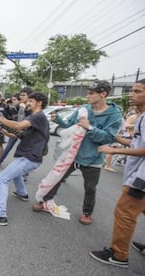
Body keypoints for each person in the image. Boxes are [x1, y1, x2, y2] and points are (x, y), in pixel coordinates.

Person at [33, 80, 123, 225]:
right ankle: (44, 201)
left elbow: (109, 137)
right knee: (58, 178)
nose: (88, 96)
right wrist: (60, 120)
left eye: (91, 93)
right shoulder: (84, 108)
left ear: (103, 94)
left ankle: (87, 213)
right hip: (73, 154)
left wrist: (90, 128)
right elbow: (71, 125)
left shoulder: (115, 115)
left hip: (93, 158)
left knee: (90, 188)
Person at [90, 79, 145, 268]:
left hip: (141, 179)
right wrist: (117, 139)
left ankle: (119, 255)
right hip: (138, 173)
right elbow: (138, 144)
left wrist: (115, 151)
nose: (131, 94)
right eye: (132, 90)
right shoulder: (141, 117)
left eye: (137, 91)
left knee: (124, 212)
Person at [0, 92, 49, 226]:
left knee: (2, 178)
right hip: (29, 156)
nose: (27, 103)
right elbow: (20, 135)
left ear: (39, 103)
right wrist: (3, 131)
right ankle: (22, 193)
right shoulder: (34, 117)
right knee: (14, 172)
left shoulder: (38, 116)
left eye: (30, 101)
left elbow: (18, 126)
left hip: (30, 157)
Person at [0, 88, 32, 169]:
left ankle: (24, 173)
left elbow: (22, 122)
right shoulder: (15, 107)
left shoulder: (29, 108)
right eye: (20, 95)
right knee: (8, 147)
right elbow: (11, 118)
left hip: (26, 133)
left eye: (15, 100)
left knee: (25, 153)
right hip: (17, 130)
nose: (13, 101)